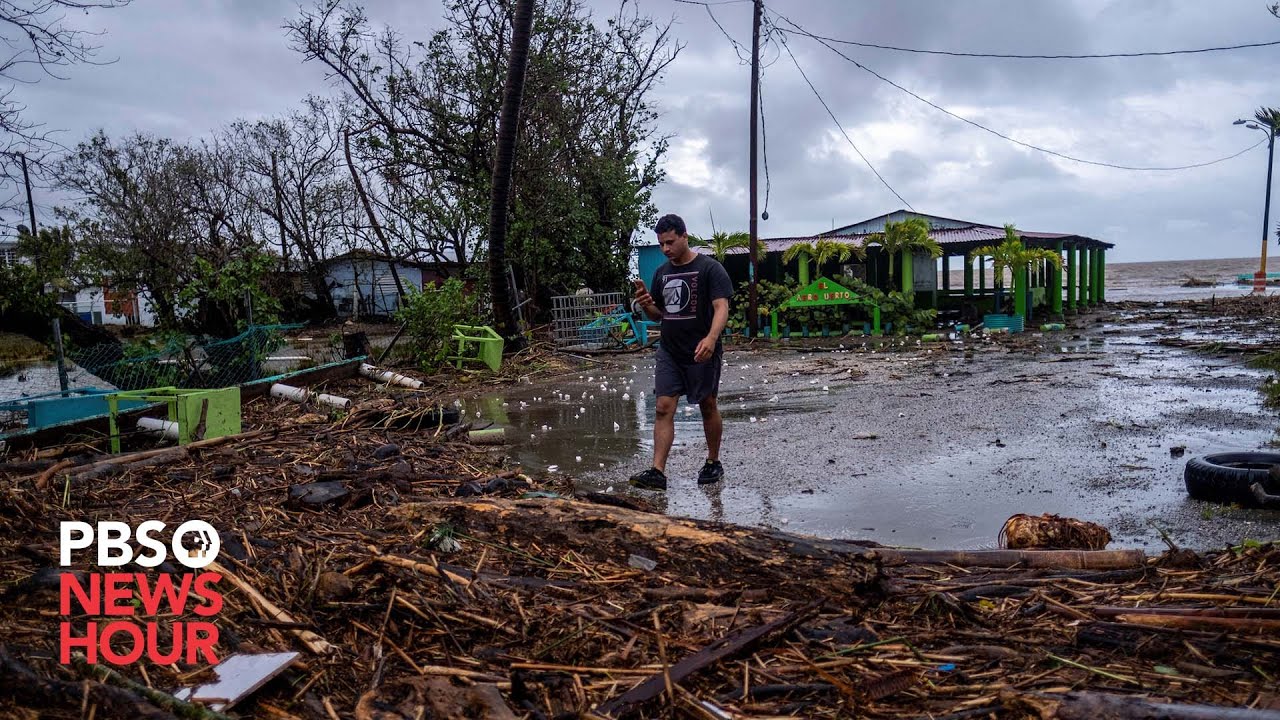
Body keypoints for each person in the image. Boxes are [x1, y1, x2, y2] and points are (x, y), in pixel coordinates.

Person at [630, 213, 732, 490]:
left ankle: (713, 462)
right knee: (663, 408)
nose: (665, 249)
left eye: (670, 242)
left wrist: (711, 338)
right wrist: (645, 303)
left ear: (685, 237)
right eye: (661, 244)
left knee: (707, 404)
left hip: (702, 350)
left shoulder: (710, 269)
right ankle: (657, 471)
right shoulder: (662, 273)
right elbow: (659, 315)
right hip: (670, 351)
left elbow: (721, 307)